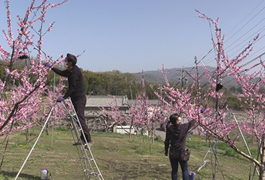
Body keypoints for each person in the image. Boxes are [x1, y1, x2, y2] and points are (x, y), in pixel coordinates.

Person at [45, 53, 93, 148]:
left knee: (80, 119)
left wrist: (64, 97)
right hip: (75, 99)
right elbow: (62, 73)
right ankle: (83, 138)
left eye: (66, 60)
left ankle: (89, 140)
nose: (64, 61)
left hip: (79, 99)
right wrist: (51, 67)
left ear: (70, 63)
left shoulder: (74, 73)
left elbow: (72, 88)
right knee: (77, 119)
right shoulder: (70, 70)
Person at [164, 113, 195, 180]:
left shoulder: (169, 129)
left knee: (174, 171)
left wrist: (166, 150)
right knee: (185, 170)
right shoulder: (183, 127)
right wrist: (199, 114)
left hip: (173, 152)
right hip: (182, 152)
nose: (180, 118)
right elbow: (192, 122)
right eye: (178, 117)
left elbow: (167, 140)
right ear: (177, 120)